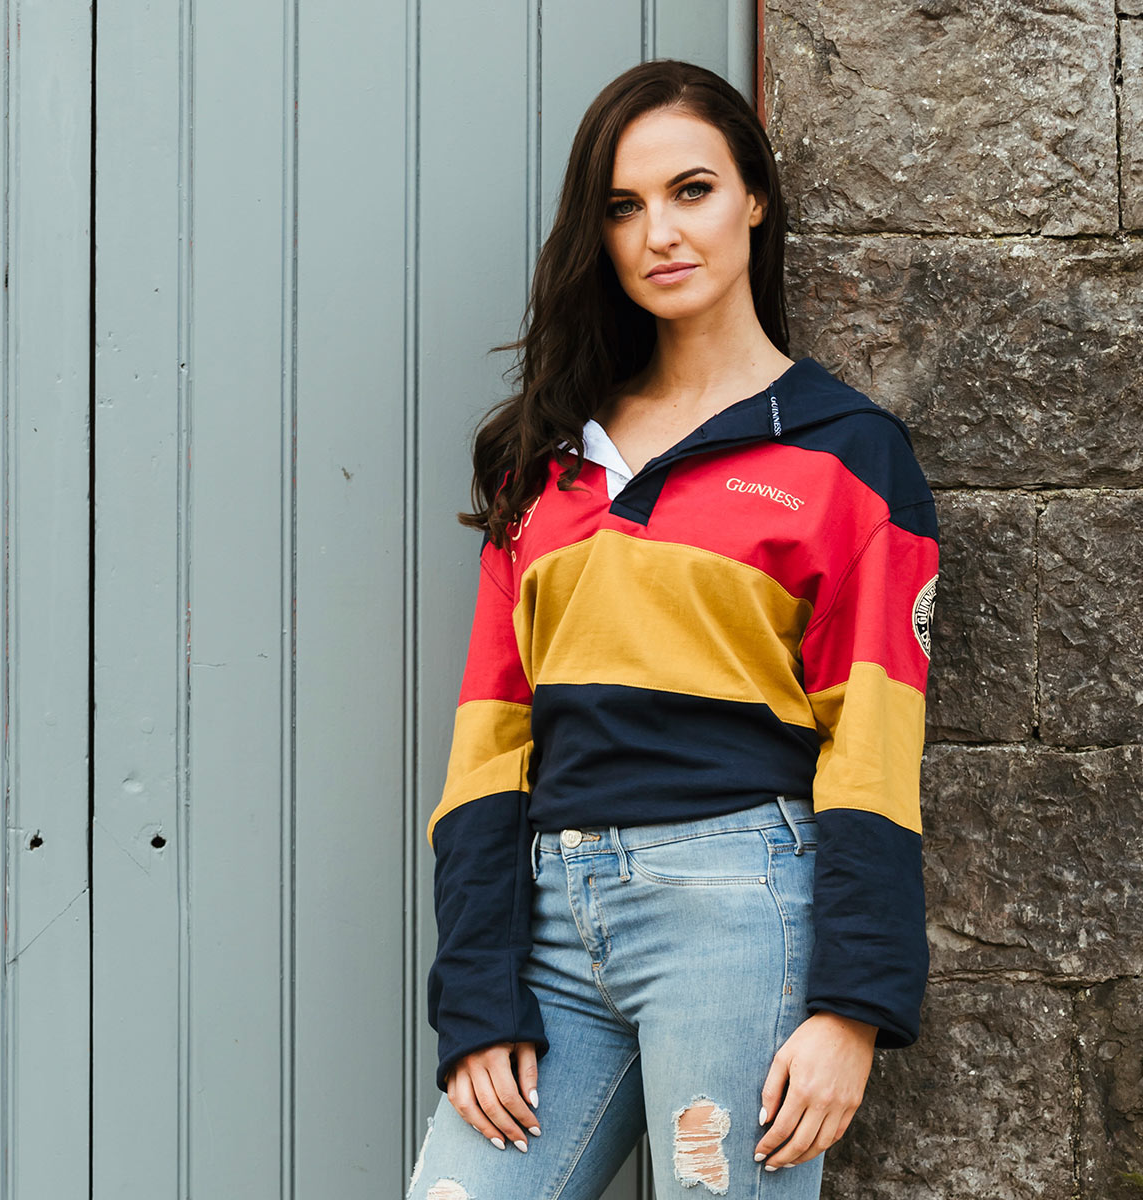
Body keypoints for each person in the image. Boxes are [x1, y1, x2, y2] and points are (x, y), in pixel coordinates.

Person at [406, 57, 938, 1200]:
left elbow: (878, 746)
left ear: (755, 197)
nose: (659, 231)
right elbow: (490, 743)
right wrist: (476, 990)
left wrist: (854, 1006)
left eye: (691, 190)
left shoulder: (850, 456)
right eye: (623, 205)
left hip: (739, 912)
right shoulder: (542, 462)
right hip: (552, 923)